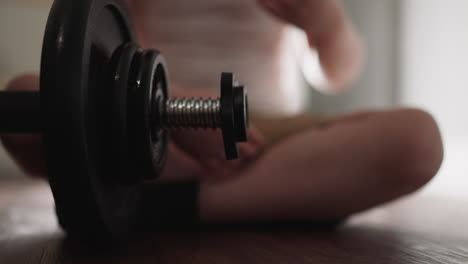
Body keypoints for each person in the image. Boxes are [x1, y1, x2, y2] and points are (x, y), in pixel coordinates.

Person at [2, 0, 443, 225]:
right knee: (24, 97)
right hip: (149, 119)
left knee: (417, 141)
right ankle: (276, 199)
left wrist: (327, 25)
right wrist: (166, 111)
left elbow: (336, 72)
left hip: (269, 140)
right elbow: (115, 48)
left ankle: (158, 205)